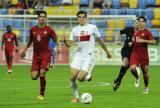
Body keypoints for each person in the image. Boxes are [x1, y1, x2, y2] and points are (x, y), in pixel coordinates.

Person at [63, 10, 112, 103]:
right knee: (72, 78)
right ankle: (76, 97)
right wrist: (66, 42)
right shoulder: (74, 30)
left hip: (88, 57)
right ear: (77, 18)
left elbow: (100, 41)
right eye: (79, 17)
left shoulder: (92, 27)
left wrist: (107, 52)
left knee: (80, 79)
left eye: (83, 17)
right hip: (78, 56)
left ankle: (88, 75)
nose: (81, 19)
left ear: (86, 18)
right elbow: (70, 44)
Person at [20, 11, 61, 100]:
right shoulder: (33, 29)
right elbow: (30, 41)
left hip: (46, 54)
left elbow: (56, 39)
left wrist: (59, 47)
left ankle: (41, 94)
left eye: (44, 17)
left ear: (46, 18)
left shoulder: (49, 29)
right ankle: (41, 68)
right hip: (36, 55)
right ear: (38, 18)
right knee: (34, 77)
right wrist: (23, 50)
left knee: (42, 73)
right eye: (41, 16)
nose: (42, 18)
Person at [130, 16, 155, 94]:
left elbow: (153, 42)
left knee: (145, 73)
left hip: (144, 56)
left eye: (142, 21)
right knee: (132, 68)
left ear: (145, 23)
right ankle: (137, 77)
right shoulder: (136, 31)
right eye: (139, 21)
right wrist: (131, 43)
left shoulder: (147, 32)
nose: (141, 23)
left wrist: (143, 40)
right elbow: (134, 41)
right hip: (135, 54)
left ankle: (146, 87)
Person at [113, 20, 140, 91]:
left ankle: (118, 80)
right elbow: (119, 32)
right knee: (125, 64)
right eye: (136, 23)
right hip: (126, 50)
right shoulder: (129, 29)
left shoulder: (141, 33)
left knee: (128, 68)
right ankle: (118, 81)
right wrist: (118, 40)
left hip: (135, 53)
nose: (137, 24)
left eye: (138, 23)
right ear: (134, 23)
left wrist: (134, 43)